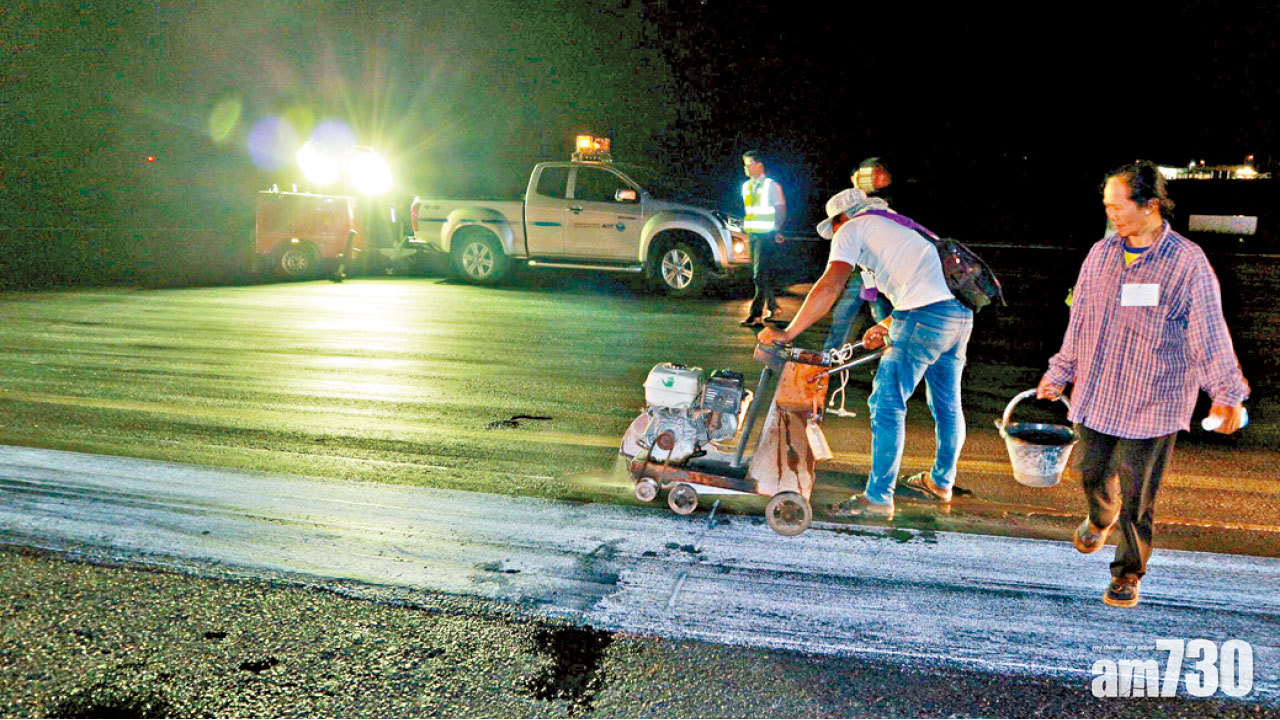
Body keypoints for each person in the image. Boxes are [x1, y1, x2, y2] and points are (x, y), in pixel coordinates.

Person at [1037, 160, 1249, 608]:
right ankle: (1100, 516)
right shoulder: (1101, 253)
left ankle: (1128, 571)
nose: (1111, 214)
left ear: (1150, 205)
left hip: (1154, 400)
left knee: (1139, 495)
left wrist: (1226, 394)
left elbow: (1208, 332)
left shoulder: (1187, 263)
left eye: (1118, 206)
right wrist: (1060, 372)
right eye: (1106, 206)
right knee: (1092, 473)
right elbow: (1081, 320)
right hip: (1098, 392)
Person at [758, 188, 973, 520]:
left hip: (923, 315)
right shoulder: (903, 228)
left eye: (835, 227)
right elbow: (924, 283)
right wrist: (887, 324)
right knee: (946, 404)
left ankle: (878, 498)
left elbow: (831, 285)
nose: (835, 234)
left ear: (842, 218)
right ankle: (941, 482)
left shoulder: (852, 228)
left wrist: (787, 332)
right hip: (958, 316)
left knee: (886, 404)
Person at [823, 158, 896, 351]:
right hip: (868, 272)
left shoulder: (879, 206)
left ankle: (827, 360)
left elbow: (828, 286)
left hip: (881, 272)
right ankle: (829, 359)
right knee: (870, 312)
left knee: (858, 312)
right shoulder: (853, 205)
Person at [739, 150, 788, 328]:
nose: (746, 168)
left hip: (766, 235)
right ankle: (773, 306)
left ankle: (755, 314)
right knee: (761, 273)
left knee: (758, 274)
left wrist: (777, 230)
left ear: (760, 165)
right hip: (752, 234)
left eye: (749, 163)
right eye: (745, 164)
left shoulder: (771, 186)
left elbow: (780, 209)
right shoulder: (745, 187)